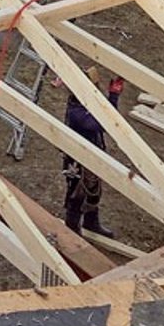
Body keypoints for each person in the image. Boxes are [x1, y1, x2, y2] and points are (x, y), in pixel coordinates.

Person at [60, 70, 119, 238]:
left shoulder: (86, 106)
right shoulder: (76, 112)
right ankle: (72, 229)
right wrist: (113, 97)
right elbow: (101, 124)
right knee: (77, 194)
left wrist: (113, 95)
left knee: (94, 190)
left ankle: (90, 222)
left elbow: (105, 117)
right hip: (77, 161)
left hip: (92, 154)